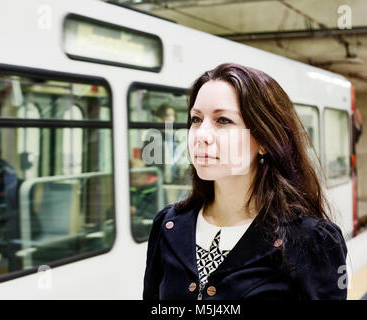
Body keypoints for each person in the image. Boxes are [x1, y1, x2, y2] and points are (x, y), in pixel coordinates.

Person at [143, 63, 348, 300]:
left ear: (264, 140)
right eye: (196, 119)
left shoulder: (310, 241)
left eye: (223, 121)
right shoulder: (169, 226)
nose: (201, 135)